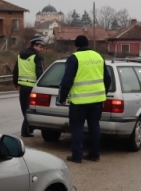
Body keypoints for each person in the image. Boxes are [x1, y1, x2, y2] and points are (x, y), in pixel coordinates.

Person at [57, 35, 111, 163]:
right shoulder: (98, 57)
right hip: (97, 101)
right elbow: (107, 79)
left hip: (79, 102)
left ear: (76, 46)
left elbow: (67, 80)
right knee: (94, 127)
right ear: (88, 44)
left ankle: (77, 155)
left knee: (76, 128)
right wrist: (103, 94)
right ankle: (94, 154)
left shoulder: (74, 58)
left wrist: (62, 98)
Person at [13, 36, 45, 137]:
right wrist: (42, 85)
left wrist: (15, 83)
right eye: (40, 47)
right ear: (34, 45)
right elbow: (40, 72)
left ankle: (27, 129)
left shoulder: (20, 55)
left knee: (24, 109)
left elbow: (15, 71)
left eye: (42, 47)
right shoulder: (37, 57)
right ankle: (25, 130)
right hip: (32, 87)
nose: (41, 49)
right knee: (30, 110)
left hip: (22, 86)